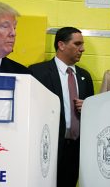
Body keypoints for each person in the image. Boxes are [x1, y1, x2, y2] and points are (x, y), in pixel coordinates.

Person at [29, 27, 94, 187]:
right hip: (47, 147)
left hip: (75, 150)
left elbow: (92, 112)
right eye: (77, 43)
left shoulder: (85, 76)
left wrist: (88, 108)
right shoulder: (37, 72)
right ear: (61, 45)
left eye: (82, 44)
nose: (82, 49)